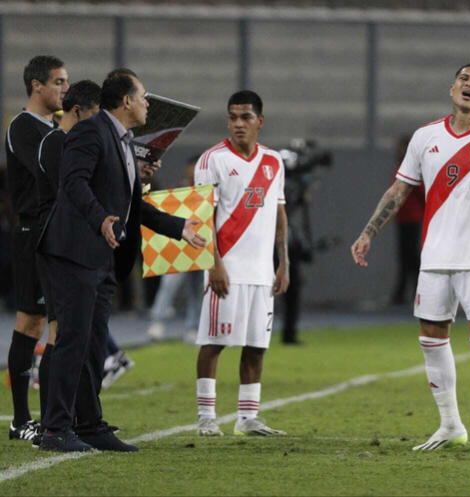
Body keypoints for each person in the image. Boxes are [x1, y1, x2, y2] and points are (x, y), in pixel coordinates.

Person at [351, 63, 470, 454]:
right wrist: (368, 232)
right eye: (464, 79)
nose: (469, 85)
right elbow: (398, 191)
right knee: (431, 338)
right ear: (451, 87)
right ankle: (450, 425)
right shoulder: (425, 137)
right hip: (433, 257)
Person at [37, 71, 206, 452]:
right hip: (74, 253)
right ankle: (54, 429)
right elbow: (73, 182)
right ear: (126, 102)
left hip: (102, 258)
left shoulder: (124, 142)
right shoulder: (90, 130)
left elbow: (135, 206)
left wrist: (180, 228)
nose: (148, 104)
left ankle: (90, 424)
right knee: (73, 341)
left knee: (95, 346)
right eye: (144, 97)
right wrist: (100, 218)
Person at [194, 90, 289, 437]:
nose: (238, 124)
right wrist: (213, 264)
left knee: (256, 346)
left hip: (262, 272)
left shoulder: (273, 162)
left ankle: (247, 418)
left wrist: (284, 263)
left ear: (259, 122)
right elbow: (203, 216)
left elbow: (279, 213)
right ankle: (206, 415)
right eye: (233, 117)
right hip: (227, 269)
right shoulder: (212, 160)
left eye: (245, 117)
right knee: (214, 342)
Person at [5, 55, 69, 442]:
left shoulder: (51, 127)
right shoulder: (23, 127)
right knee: (31, 323)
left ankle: (53, 417)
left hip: (55, 232)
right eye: (59, 81)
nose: (64, 88)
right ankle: (20, 420)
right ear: (36, 86)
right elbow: (48, 173)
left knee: (55, 325)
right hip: (33, 233)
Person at [35, 79, 102, 430]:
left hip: (73, 246)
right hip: (58, 246)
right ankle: (52, 418)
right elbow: (75, 190)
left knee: (70, 333)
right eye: (94, 115)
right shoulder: (56, 143)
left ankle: (72, 416)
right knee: (59, 333)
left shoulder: (71, 142)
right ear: (78, 111)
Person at [146, 155, 203, 343]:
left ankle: (192, 327)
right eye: (191, 168)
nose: (193, 172)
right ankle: (158, 322)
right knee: (169, 285)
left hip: (202, 247)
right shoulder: (179, 190)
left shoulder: (209, 192)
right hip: (179, 248)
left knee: (197, 290)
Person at [391, 134, 425, 306]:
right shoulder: (402, 166)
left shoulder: (411, 167)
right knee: (406, 257)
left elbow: (419, 191)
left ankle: (416, 292)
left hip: (412, 217)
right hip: (403, 218)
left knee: (411, 256)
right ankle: (404, 293)